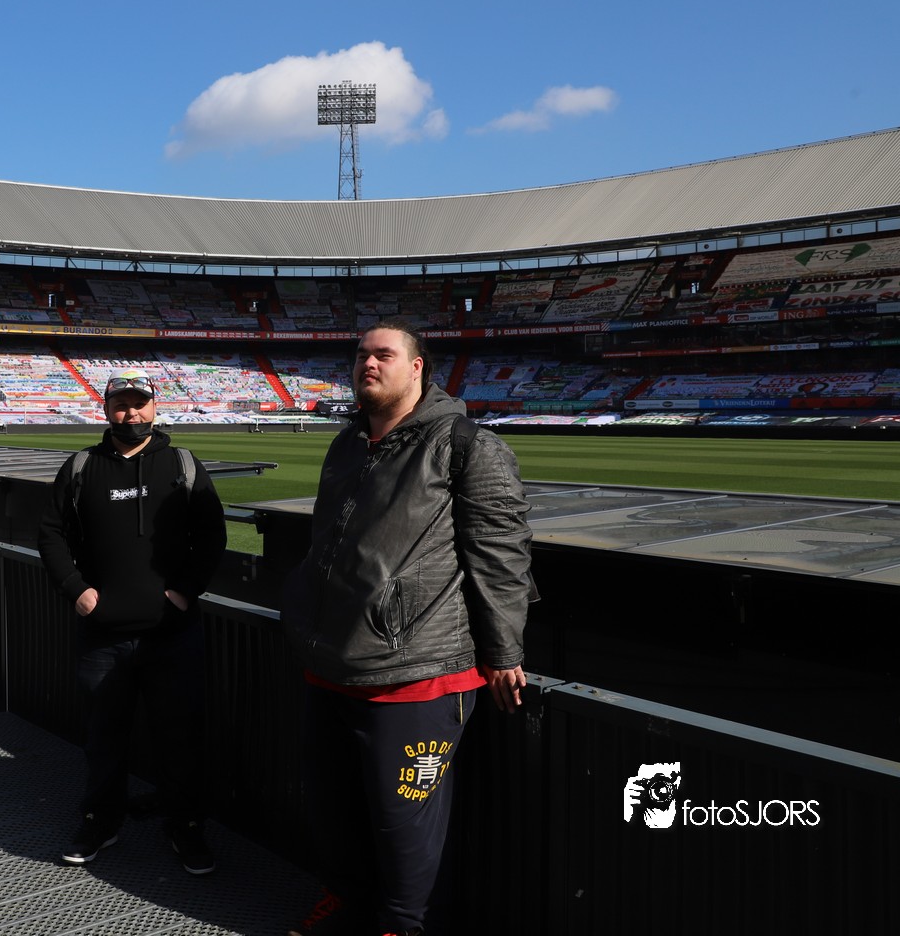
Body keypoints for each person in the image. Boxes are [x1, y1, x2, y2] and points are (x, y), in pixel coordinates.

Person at [282, 318, 535, 936]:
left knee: (404, 828)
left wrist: (504, 653)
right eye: (360, 354)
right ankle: (343, 902)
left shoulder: (468, 444)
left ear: (417, 367)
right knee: (333, 811)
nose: (367, 364)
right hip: (330, 663)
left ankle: (402, 926)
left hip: (415, 674)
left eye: (383, 354)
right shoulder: (347, 443)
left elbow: (501, 556)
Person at [36, 372, 228, 875]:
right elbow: (50, 533)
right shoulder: (81, 466)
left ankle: (185, 825)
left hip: (173, 634)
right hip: (103, 636)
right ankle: (101, 821)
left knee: (180, 738)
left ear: (154, 407)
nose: (132, 413)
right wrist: (76, 590)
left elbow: (212, 534)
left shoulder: (183, 464)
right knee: (104, 739)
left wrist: (185, 591)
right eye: (121, 404)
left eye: (140, 403)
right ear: (106, 410)